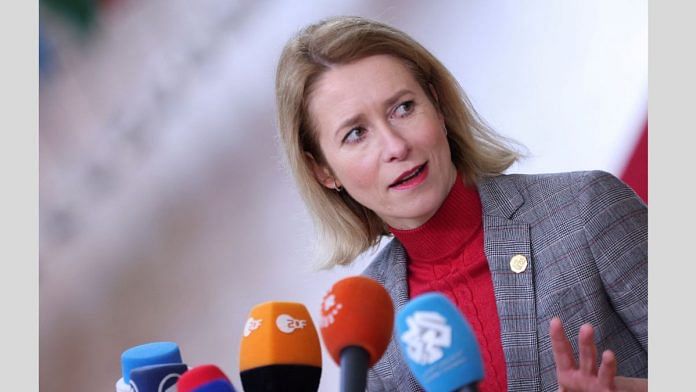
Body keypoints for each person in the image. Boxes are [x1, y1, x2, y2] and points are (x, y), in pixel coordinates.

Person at [275, 16, 647, 392]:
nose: (395, 146)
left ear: (437, 106)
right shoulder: (369, 330)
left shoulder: (585, 209)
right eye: (356, 133)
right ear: (322, 170)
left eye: (403, 108)